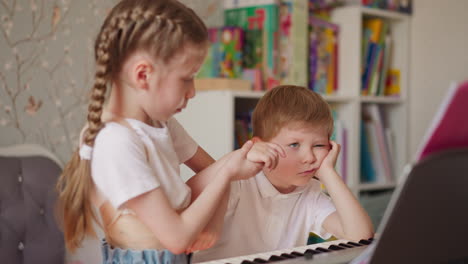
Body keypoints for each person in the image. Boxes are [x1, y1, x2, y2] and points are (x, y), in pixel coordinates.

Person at [55, 0, 284, 263]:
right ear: (143, 75)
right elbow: (176, 238)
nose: (193, 91)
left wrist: (240, 161)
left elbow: (212, 174)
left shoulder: (160, 125)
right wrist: (229, 172)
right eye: (187, 78)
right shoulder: (116, 141)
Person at [194, 85, 374, 262]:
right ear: (260, 146)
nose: (309, 157)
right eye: (294, 145)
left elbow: (360, 236)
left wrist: (328, 173)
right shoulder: (239, 183)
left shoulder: (310, 193)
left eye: (318, 145)